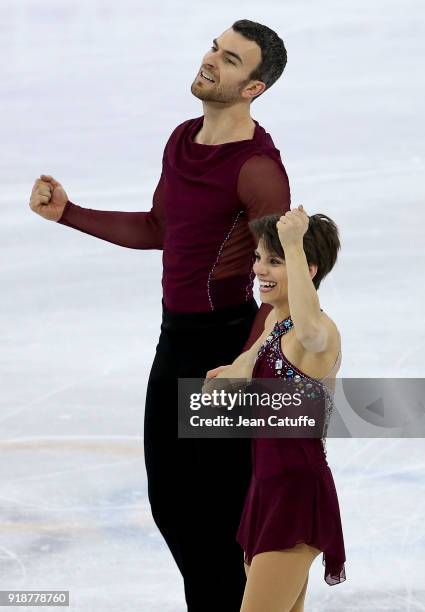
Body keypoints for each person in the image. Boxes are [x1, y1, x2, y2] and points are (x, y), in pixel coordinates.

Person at [28, 20, 291, 612]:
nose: (210, 60)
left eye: (229, 59)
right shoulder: (182, 139)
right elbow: (159, 230)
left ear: (253, 88)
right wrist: (69, 213)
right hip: (177, 344)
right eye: (214, 48)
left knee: (222, 524)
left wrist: (249, 364)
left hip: (229, 350)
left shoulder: (258, 169)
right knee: (174, 508)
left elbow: (285, 287)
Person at [206, 206, 346, 611]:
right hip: (267, 489)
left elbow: (310, 332)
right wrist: (225, 381)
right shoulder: (275, 323)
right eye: (258, 257)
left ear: (308, 267)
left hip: (296, 493)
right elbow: (243, 366)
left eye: (275, 260)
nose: (259, 270)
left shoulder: (317, 330)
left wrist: (294, 243)